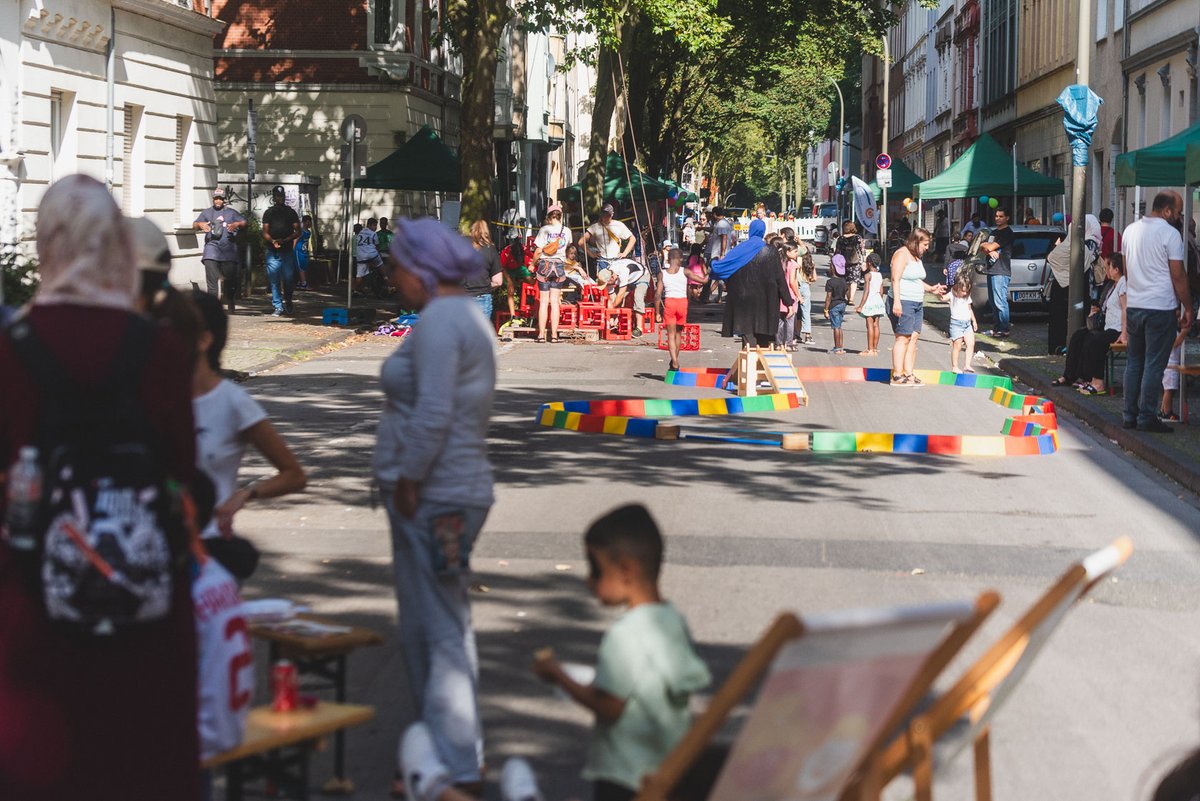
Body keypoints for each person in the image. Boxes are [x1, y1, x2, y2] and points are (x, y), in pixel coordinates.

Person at [0, 174, 200, 800]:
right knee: (139, 763)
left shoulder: (10, 351)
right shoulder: (161, 350)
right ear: (115, 245)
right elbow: (187, 474)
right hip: (144, 611)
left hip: (32, 611)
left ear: (47, 245)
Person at [374, 219, 497, 798]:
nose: (392, 275)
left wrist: (407, 478)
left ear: (420, 269)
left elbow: (433, 412)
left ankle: (453, 764)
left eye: (396, 265)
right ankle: (446, 750)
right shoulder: (461, 317)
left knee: (440, 629)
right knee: (437, 623)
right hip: (446, 489)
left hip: (436, 494)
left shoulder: (445, 320)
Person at [532, 504, 711, 801]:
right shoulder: (672, 618)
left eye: (595, 568)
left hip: (624, 775)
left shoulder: (625, 634)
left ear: (626, 570)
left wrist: (559, 676)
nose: (589, 580)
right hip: (668, 768)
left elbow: (610, 706)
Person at [188, 290, 306, 561]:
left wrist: (244, 495)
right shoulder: (152, 396)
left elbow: (294, 475)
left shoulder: (232, 401)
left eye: (176, 328)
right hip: (154, 548)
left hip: (210, 550)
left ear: (205, 339)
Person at [1121, 190, 1194, 433]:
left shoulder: (1130, 231)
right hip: (1160, 307)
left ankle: (1129, 415)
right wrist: (1187, 307)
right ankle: (1146, 417)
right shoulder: (1170, 234)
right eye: (1178, 211)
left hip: (1135, 305)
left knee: (1134, 362)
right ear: (1166, 210)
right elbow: (1178, 275)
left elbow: (1127, 270)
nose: (1179, 216)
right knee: (1154, 363)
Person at [1053, 254, 1127, 395]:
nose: (1105, 270)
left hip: (1117, 328)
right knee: (1078, 336)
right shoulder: (1111, 285)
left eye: (1108, 267)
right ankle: (1070, 375)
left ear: (1116, 269)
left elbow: (1125, 308)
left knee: (1094, 342)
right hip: (1107, 325)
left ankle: (1096, 381)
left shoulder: (1123, 284)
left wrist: (1124, 332)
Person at [714, 218, 791, 347]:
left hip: (743, 299)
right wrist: (788, 301)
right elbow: (780, 278)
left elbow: (728, 269)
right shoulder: (771, 251)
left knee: (748, 338)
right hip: (766, 300)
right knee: (765, 337)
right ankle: (760, 365)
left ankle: (749, 364)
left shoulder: (740, 250)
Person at [887, 228, 946, 386]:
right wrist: (897, 302)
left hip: (916, 302)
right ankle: (897, 375)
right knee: (903, 337)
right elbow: (895, 279)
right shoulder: (901, 254)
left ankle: (909, 374)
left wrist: (931, 289)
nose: (927, 248)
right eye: (925, 244)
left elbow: (915, 279)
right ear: (916, 241)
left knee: (913, 338)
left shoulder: (916, 257)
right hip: (904, 301)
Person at [1044, 215, 1101, 354]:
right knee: (1078, 318)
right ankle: (1075, 347)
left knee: (1060, 319)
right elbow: (1090, 261)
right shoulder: (1088, 246)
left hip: (1060, 288)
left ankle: (1058, 346)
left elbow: (1051, 258)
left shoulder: (1063, 247)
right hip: (1080, 287)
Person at [194, 187, 246, 301]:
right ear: (213, 199)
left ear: (224, 200)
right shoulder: (206, 212)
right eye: (216, 198)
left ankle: (230, 304)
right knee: (212, 282)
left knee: (230, 281)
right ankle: (212, 308)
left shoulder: (231, 212)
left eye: (220, 199)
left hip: (228, 251)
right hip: (211, 250)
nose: (218, 201)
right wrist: (201, 225)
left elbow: (244, 223)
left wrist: (237, 224)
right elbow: (195, 225)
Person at [532, 204, 571, 342]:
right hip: (559, 265)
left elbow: (538, 251)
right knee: (555, 302)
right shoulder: (567, 231)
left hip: (545, 265)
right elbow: (567, 246)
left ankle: (541, 335)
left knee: (543, 302)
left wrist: (532, 264)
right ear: (561, 216)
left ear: (549, 216)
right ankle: (554, 335)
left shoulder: (544, 230)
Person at [262, 185, 301, 316]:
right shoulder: (269, 213)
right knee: (274, 280)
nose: (280, 198)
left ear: (284, 197)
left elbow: (298, 231)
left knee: (289, 279)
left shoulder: (290, 212)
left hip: (287, 250)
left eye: (282, 196)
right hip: (272, 251)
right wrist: (273, 241)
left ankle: (288, 299)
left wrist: (287, 239)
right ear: (273, 198)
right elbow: (265, 232)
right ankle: (278, 306)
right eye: (277, 196)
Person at [978, 207, 1014, 337]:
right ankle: (997, 327)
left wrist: (989, 247)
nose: (998, 218)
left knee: (1000, 301)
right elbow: (981, 246)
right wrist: (988, 249)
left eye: (1001, 216)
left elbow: (990, 246)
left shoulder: (1007, 233)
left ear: (1007, 218)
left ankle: (1004, 329)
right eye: (996, 216)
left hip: (1001, 270)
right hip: (991, 269)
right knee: (993, 302)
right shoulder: (993, 232)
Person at [656, 247, 689, 370]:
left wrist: (657, 312)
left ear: (668, 259)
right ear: (680, 259)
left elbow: (658, 295)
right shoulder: (685, 271)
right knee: (678, 334)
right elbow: (703, 280)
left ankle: (674, 362)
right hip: (682, 303)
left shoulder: (662, 274)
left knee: (670, 335)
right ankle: (674, 360)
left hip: (670, 302)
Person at [580, 204, 634, 277]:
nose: (605, 217)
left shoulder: (619, 225)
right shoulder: (595, 227)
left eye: (607, 215)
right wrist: (591, 254)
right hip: (602, 260)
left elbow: (632, 239)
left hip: (616, 259)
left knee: (617, 281)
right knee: (603, 281)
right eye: (604, 214)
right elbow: (581, 242)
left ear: (612, 214)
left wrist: (624, 253)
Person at [466, 219, 503, 321]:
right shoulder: (490, 249)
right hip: (482, 297)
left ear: (472, 230)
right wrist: (486, 285)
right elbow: (498, 281)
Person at [946, 268, 978, 373]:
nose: (965, 293)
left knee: (971, 344)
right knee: (957, 345)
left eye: (967, 291)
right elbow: (942, 298)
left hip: (967, 323)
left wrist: (974, 321)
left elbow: (969, 309)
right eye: (963, 291)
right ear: (957, 287)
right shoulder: (952, 295)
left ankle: (967, 365)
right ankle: (955, 366)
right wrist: (937, 293)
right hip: (956, 324)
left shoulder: (966, 297)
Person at [855, 251, 885, 355]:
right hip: (878, 301)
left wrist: (860, 306)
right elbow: (881, 291)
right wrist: (880, 300)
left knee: (869, 325)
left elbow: (866, 291)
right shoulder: (880, 275)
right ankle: (875, 349)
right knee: (876, 325)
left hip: (870, 301)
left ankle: (869, 349)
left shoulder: (868, 275)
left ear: (869, 263)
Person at [1161, 311, 1188, 421]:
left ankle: (1163, 410)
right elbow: (1174, 344)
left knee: (1168, 389)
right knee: (1169, 389)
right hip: (1170, 364)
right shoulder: (1170, 332)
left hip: (1170, 363)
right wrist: (1184, 333)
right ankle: (1167, 411)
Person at [702, 207, 733, 303]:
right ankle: (718, 297)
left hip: (717, 255)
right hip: (720, 254)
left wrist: (722, 254)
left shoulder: (722, 224)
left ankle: (705, 297)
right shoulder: (723, 223)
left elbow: (724, 238)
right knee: (721, 277)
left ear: (715, 214)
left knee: (710, 275)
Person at [833, 221, 866, 305]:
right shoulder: (857, 237)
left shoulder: (840, 238)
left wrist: (834, 259)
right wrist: (864, 260)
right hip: (855, 262)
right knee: (854, 281)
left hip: (843, 262)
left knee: (846, 280)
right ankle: (851, 298)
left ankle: (848, 296)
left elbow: (837, 251)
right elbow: (862, 250)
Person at [777, 241, 801, 350]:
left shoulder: (779, 262)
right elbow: (793, 282)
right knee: (790, 320)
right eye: (795, 251)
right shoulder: (792, 264)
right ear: (788, 251)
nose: (797, 254)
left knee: (780, 320)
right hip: (790, 294)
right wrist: (798, 295)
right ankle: (789, 343)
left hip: (780, 294)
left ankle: (779, 343)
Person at [824, 255, 850, 354]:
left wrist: (826, 309)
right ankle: (841, 346)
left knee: (835, 326)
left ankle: (837, 348)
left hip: (834, 306)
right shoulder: (844, 281)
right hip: (843, 304)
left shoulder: (830, 282)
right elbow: (847, 293)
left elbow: (828, 297)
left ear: (832, 267)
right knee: (839, 326)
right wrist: (848, 300)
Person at [355, 217, 384, 295]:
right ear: (369, 225)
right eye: (374, 225)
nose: (375, 227)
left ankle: (355, 290)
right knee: (381, 265)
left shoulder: (360, 233)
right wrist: (379, 252)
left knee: (359, 275)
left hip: (361, 257)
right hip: (372, 255)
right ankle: (387, 282)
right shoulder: (373, 233)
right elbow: (377, 246)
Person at [795, 248, 817, 345]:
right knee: (806, 312)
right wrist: (808, 280)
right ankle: (808, 336)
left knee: (796, 312)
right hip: (806, 286)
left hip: (796, 286)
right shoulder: (811, 262)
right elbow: (814, 278)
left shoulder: (798, 261)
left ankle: (796, 335)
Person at [295, 214, 313, 290]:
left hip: (304, 252)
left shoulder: (308, 232)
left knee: (304, 267)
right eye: (307, 222)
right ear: (304, 222)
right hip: (298, 252)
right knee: (300, 267)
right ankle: (304, 283)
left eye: (310, 222)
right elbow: (295, 240)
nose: (309, 224)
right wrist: (292, 249)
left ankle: (300, 282)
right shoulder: (301, 231)